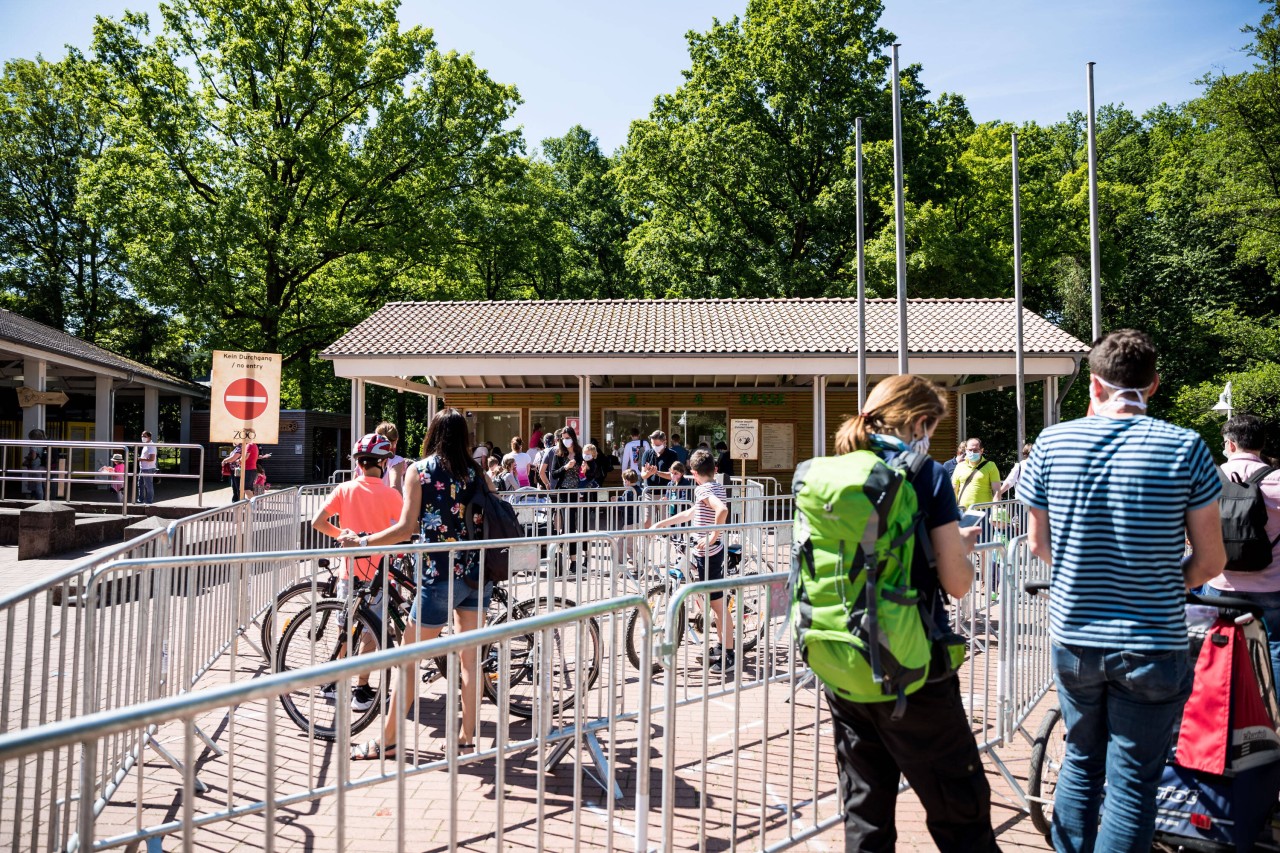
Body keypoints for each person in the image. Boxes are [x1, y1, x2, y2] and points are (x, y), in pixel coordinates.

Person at [1021, 329, 1226, 852]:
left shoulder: (1052, 442)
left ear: (1094, 385)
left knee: (1082, 761)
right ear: (1153, 385)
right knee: (1134, 780)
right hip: (1152, 642)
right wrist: (1160, 581)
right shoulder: (1185, 447)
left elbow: (1040, 545)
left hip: (1075, 636)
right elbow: (1211, 560)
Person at [824, 375, 996, 851]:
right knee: (961, 809)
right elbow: (957, 585)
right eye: (932, 426)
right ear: (920, 421)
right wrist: (960, 546)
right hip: (913, 665)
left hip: (844, 661)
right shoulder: (925, 473)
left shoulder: (834, 470)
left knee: (865, 812)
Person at [348, 408, 495, 759]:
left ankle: (389, 740)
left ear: (432, 433)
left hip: (438, 576)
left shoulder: (421, 471)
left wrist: (366, 542)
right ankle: (465, 739)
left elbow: (405, 528)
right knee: (469, 660)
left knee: (409, 656)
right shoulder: (477, 472)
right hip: (478, 573)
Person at [311, 434, 404, 713]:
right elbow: (402, 530)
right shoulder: (391, 494)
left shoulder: (344, 489)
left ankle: (338, 682)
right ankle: (361, 689)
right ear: (384, 463)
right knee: (371, 634)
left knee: (345, 629)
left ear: (359, 464)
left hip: (349, 570)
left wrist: (344, 536)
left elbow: (318, 522)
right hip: (378, 572)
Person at [1203, 413, 1280, 700]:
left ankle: (1220, 709)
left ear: (1229, 445)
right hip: (1272, 585)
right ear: (1261, 444)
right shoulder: (1277, 479)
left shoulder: (1208, 479)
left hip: (1221, 587)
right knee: (1277, 647)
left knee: (1217, 643)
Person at [651, 449, 736, 674]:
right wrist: (663, 523)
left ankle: (729, 654)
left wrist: (712, 536)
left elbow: (722, 510)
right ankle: (721, 646)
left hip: (710, 553)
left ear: (694, 472)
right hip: (705, 553)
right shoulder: (714, 486)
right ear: (714, 470)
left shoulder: (704, 489)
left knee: (718, 606)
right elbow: (691, 513)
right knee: (714, 603)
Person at [549, 426, 584, 572]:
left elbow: (589, 472)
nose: (565, 441)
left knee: (574, 527)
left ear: (573, 438)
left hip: (577, 493)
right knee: (566, 526)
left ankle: (575, 561)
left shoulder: (580, 453)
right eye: (563, 438)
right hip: (563, 493)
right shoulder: (559, 454)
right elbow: (554, 474)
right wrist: (565, 467)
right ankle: (564, 558)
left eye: (568, 437)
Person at [640, 429, 679, 525]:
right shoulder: (647, 453)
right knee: (646, 522)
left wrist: (657, 472)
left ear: (664, 442)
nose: (655, 447)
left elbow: (673, 476)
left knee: (665, 524)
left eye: (657, 445)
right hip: (649, 493)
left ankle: (666, 539)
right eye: (653, 444)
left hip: (665, 494)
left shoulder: (672, 454)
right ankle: (648, 540)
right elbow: (643, 475)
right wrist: (649, 473)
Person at [951, 437, 1000, 510]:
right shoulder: (959, 466)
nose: (972, 452)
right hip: (962, 511)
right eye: (970, 450)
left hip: (984, 512)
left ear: (981, 451)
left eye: (975, 450)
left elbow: (996, 490)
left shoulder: (991, 466)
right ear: (966, 450)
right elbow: (954, 489)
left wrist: (995, 509)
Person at [613, 469, 644, 569]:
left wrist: (616, 502)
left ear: (627, 481)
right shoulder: (639, 489)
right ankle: (635, 563)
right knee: (628, 544)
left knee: (624, 544)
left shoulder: (629, 492)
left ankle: (627, 564)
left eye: (624, 480)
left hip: (630, 522)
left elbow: (625, 506)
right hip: (636, 520)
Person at [374, 421, 409, 492]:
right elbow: (395, 487)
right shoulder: (396, 461)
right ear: (396, 441)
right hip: (387, 502)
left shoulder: (363, 461)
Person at [23, 428, 47, 500]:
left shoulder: (34, 444)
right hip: (43, 464)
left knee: (37, 484)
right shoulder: (43, 443)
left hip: (36, 465)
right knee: (42, 483)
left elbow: (33, 456)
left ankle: (40, 500)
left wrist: (28, 457)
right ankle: (43, 498)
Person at [138, 430, 158, 504]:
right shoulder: (146, 445)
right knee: (140, 485)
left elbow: (152, 458)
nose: (142, 437)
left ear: (149, 437)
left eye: (144, 436)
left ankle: (149, 501)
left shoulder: (151, 445)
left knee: (148, 486)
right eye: (142, 436)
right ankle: (140, 500)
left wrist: (140, 459)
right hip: (143, 468)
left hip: (148, 469)